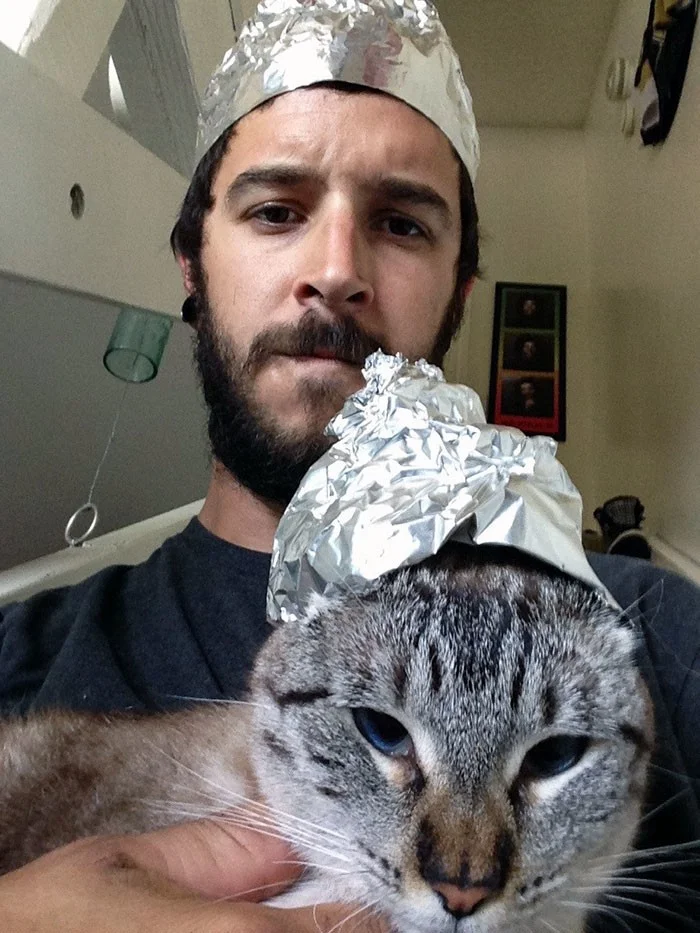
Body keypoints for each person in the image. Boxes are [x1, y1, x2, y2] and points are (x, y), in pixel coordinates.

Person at [0, 0, 698, 930]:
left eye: (401, 224)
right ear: (191, 265)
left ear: (461, 293)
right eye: (277, 210)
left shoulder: (661, 635)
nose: (336, 270)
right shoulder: (18, 655)